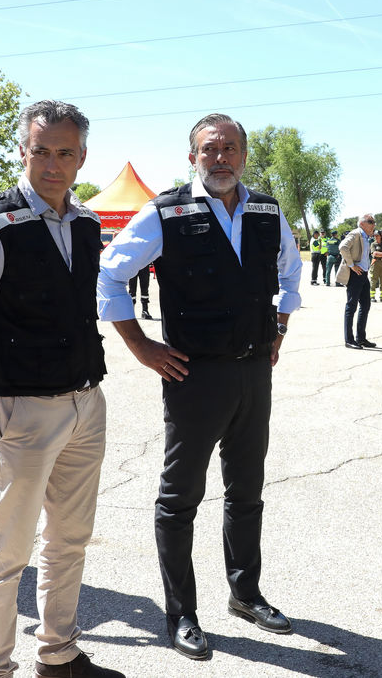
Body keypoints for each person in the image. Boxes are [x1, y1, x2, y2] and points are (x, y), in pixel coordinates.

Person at [97, 112, 301, 661]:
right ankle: (182, 613)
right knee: (179, 498)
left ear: (244, 156)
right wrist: (141, 347)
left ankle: (245, 594)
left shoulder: (267, 210)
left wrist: (280, 326)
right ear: (193, 158)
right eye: (210, 149)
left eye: (230, 148)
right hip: (194, 376)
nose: (221, 158)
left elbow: (290, 274)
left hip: (254, 371)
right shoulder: (166, 211)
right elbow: (110, 273)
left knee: (246, 491)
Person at [0, 100, 122, 678]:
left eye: (65, 153)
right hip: (20, 405)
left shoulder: (86, 222)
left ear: (82, 157)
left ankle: (58, 653)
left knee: (70, 540)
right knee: (5, 550)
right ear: (22, 152)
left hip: (85, 401)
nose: (53, 165)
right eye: (42, 151)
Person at [338, 214, 376, 349]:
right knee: (351, 306)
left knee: (365, 305)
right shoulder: (356, 234)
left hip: (363, 274)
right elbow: (343, 247)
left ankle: (361, 338)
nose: (373, 224)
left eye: (374, 222)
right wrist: (352, 265)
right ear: (362, 224)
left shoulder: (366, 237)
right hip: (355, 275)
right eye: (370, 222)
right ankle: (349, 340)